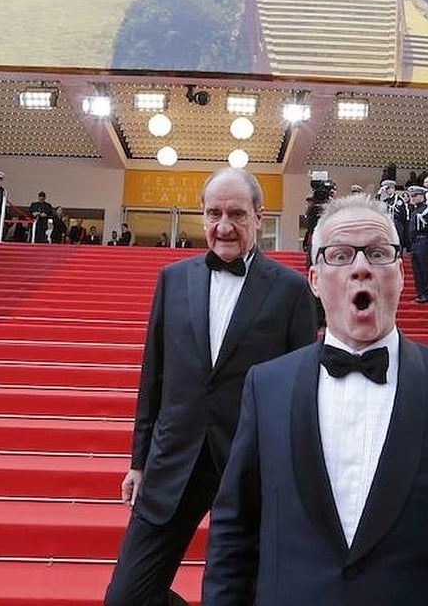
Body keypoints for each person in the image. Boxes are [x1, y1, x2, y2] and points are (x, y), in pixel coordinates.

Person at [202, 193, 428, 605]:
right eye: (339, 255)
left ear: (400, 274)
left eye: (377, 253)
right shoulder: (265, 386)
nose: (360, 269)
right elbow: (233, 530)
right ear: (315, 280)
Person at [104, 167, 319, 606]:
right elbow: (154, 375)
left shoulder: (293, 291)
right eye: (213, 213)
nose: (223, 227)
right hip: (173, 459)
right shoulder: (173, 279)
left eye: (237, 214)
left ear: (260, 217)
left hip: (251, 464)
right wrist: (139, 461)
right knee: (126, 598)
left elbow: (303, 393)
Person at [405, 184, 428, 303]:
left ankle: (427, 294)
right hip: (415, 243)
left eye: (415, 195)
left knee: (425, 268)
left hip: (424, 241)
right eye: (412, 196)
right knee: (417, 270)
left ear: (422, 196)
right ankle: (420, 293)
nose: (413, 198)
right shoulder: (414, 211)